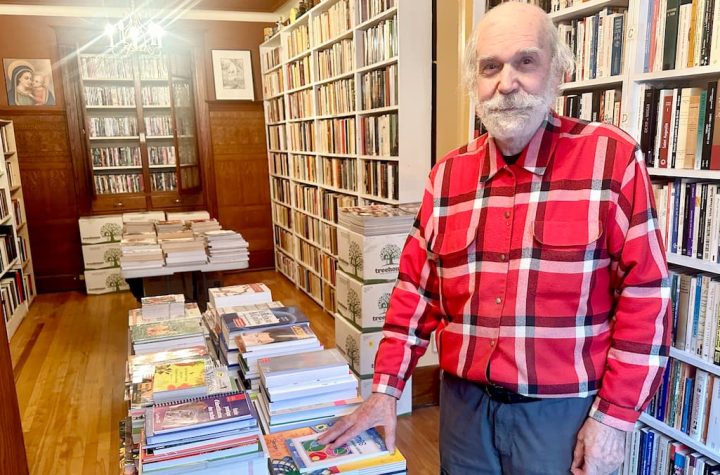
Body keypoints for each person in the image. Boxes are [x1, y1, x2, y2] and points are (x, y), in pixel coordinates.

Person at [318, 3, 671, 474]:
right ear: (474, 81)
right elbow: (415, 293)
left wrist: (614, 419)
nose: (506, 83)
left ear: (557, 71)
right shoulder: (447, 177)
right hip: (463, 410)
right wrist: (384, 390)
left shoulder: (611, 159)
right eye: (491, 67)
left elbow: (647, 296)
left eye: (525, 61)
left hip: (561, 415)